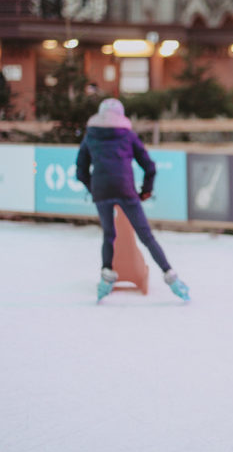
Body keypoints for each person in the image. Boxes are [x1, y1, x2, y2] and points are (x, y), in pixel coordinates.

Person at [76, 97, 189, 303]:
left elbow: (81, 170)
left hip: (101, 189)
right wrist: (145, 191)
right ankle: (171, 277)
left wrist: (93, 188)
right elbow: (149, 166)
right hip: (125, 189)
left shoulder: (90, 136)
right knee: (146, 236)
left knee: (109, 235)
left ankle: (106, 276)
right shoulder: (127, 135)